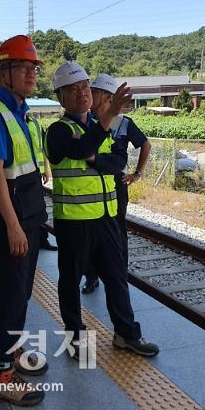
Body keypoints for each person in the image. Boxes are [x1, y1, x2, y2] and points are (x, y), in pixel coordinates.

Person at [45, 61, 159, 358]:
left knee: (116, 276)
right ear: (61, 98)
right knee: (70, 281)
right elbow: (83, 150)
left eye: (85, 87)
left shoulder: (100, 129)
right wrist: (94, 146)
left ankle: (126, 333)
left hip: (108, 217)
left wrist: (96, 157)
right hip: (74, 221)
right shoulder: (57, 131)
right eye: (73, 89)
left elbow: (117, 163)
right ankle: (75, 338)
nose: (82, 93)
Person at [0, 35, 48, 406]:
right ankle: (0, 374)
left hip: (29, 217)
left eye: (34, 67)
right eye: (24, 67)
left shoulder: (23, 115)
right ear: (4, 73)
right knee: (8, 293)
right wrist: (13, 225)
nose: (32, 73)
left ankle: (13, 347)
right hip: (11, 224)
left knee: (20, 292)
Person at [82, 74, 151, 294]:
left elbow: (145, 144)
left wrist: (137, 174)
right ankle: (91, 276)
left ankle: (119, 274)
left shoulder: (123, 122)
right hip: (92, 184)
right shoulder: (87, 121)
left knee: (117, 231)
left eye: (93, 91)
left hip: (116, 184)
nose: (88, 95)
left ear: (105, 96)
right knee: (91, 232)